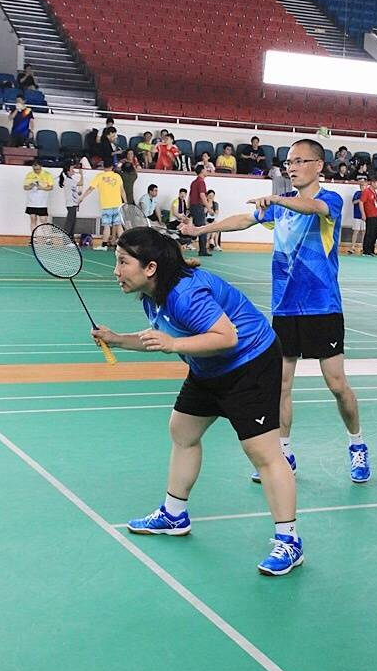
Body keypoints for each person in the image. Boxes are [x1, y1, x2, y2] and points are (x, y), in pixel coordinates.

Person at [92, 227, 303, 576]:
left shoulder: (185, 295)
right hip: (209, 366)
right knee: (183, 431)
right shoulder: (152, 295)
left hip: (250, 363)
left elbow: (226, 337)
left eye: (123, 262)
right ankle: (174, 514)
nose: (116, 271)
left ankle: (290, 541)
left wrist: (174, 345)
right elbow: (160, 338)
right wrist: (117, 339)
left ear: (150, 268)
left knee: (263, 453)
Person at [181, 138, 370, 485]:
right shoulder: (280, 206)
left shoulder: (330, 200)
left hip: (323, 307)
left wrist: (278, 199)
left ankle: (357, 444)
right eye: (289, 162)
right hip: (284, 308)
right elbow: (243, 220)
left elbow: (312, 208)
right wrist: (200, 229)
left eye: (299, 161)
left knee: (337, 384)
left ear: (318, 165)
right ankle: (284, 454)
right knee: (281, 385)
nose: (292, 167)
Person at [80, 157, 127, 250]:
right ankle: (123, 246)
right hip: (118, 204)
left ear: (103, 166)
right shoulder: (117, 176)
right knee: (119, 225)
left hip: (106, 205)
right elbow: (122, 191)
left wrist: (82, 197)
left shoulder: (99, 176)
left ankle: (104, 246)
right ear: (112, 167)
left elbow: (90, 189)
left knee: (107, 226)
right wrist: (125, 202)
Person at [189, 166, 213, 257]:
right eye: (206, 169)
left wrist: (189, 208)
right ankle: (202, 250)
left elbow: (190, 196)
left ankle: (201, 248)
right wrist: (209, 208)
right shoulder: (201, 182)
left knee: (198, 227)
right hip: (198, 207)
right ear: (202, 171)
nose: (207, 171)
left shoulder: (194, 182)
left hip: (193, 206)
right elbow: (202, 195)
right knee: (202, 228)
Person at [23, 160, 53, 232]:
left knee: (43, 220)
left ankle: (46, 237)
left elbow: (51, 187)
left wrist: (41, 188)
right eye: (34, 169)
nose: (36, 171)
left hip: (42, 203)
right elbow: (25, 187)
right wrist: (31, 185)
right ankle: (34, 236)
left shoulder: (47, 174)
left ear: (41, 167)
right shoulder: (29, 175)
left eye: (38, 169)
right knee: (33, 219)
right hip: (31, 202)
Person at [58, 162, 83, 240]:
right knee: (70, 222)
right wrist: (81, 174)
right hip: (71, 204)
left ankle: (71, 239)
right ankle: (66, 239)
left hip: (73, 204)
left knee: (72, 222)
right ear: (68, 171)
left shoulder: (70, 180)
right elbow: (81, 183)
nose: (74, 170)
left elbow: (73, 192)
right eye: (72, 169)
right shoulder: (69, 181)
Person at [361, 178, 377, 256]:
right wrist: (363, 214)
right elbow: (361, 202)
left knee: (375, 233)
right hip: (369, 215)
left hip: (375, 215)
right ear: (373, 183)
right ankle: (366, 250)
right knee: (369, 233)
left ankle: (371, 250)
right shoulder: (366, 191)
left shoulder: (374, 192)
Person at [347, 180, 367, 255]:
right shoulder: (357, 193)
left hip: (365, 215)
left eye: (364, 186)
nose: (363, 187)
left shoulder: (367, 194)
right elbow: (353, 202)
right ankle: (352, 247)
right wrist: (360, 200)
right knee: (356, 231)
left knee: (364, 231)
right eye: (362, 186)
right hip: (357, 215)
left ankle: (363, 247)